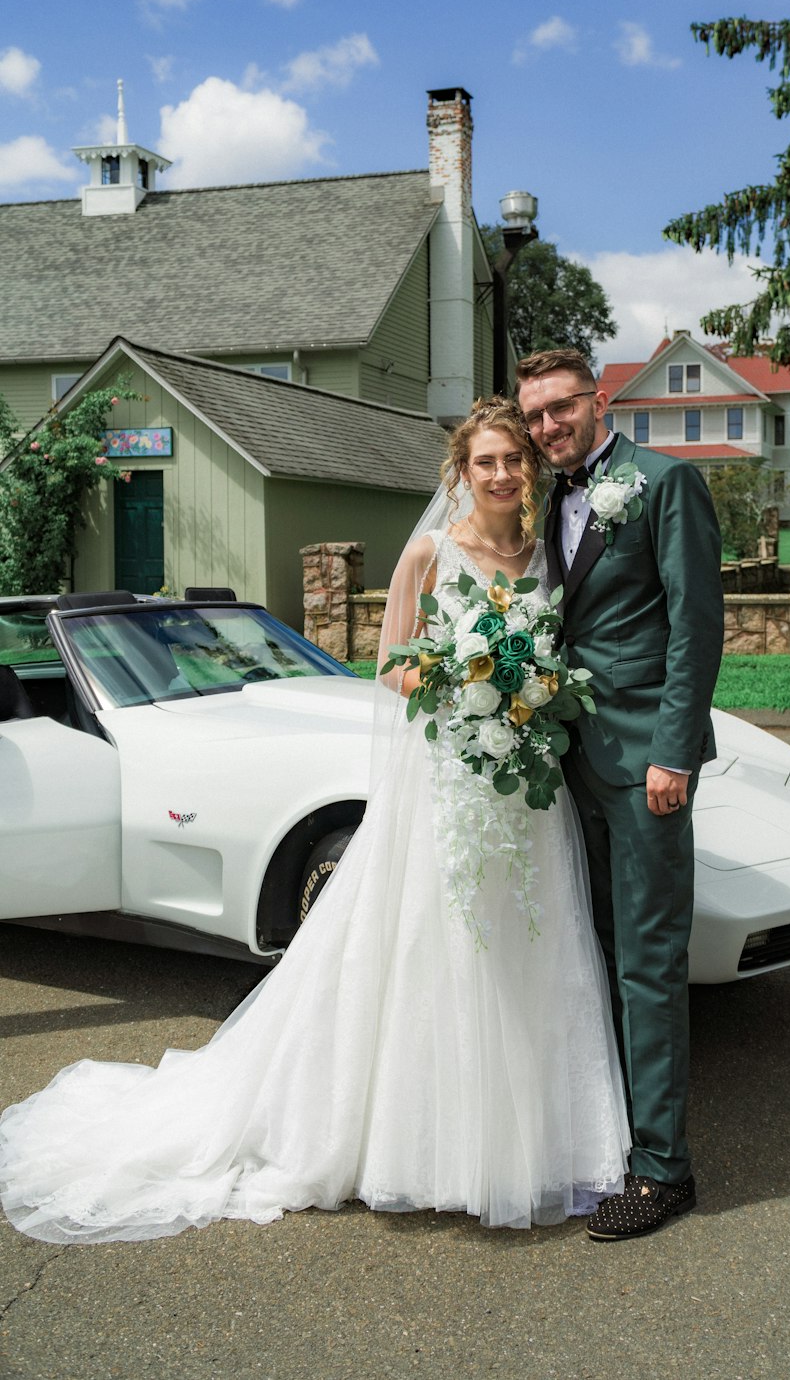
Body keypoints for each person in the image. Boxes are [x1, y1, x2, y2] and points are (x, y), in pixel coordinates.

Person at [0, 397, 630, 1245]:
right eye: (485, 461)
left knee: (527, 945)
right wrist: (467, 691)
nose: (502, 474)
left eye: (513, 460)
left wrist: (529, 697)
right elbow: (391, 665)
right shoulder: (429, 551)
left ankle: (531, 1141)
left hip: (522, 791)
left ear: (531, 469)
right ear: (462, 470)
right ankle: (422, 1146)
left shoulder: (546, 557)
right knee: (432, 947)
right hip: (452, 775)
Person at [516, 348, 724, 1243]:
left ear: (599, 401)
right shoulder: (543, 498)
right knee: (593, 952)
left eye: (562, 408)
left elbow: (696, 626)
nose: (549, 427)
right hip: (571, 761)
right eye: (535, 417)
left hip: (645, 763)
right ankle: (615, 1139)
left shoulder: (662, 484)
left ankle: (664, 1171)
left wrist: (674, 756)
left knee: (647, 962)